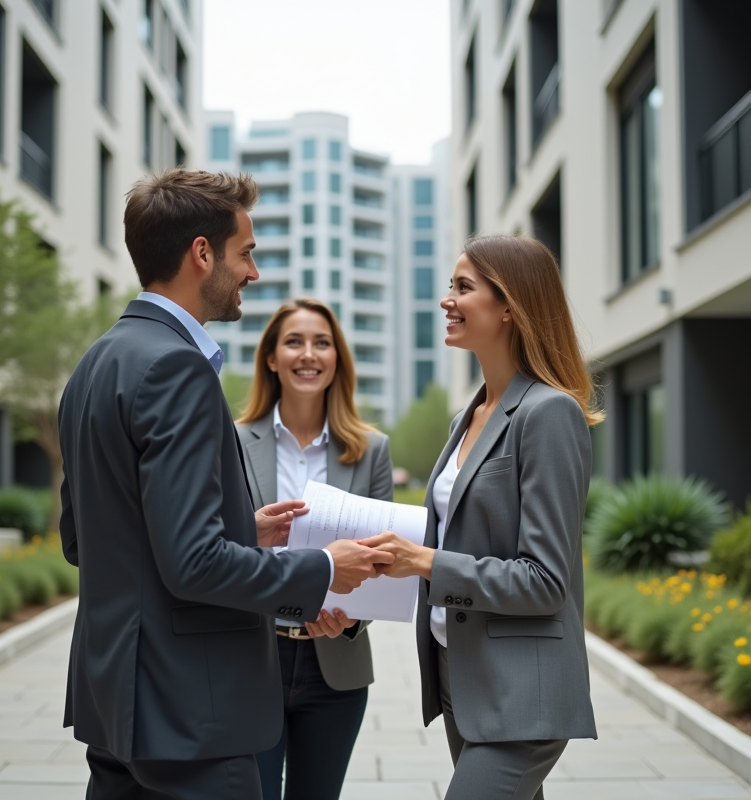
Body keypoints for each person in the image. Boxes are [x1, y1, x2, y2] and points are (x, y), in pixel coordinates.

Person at [57, 168, 392, 800]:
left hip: (117, 704)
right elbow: (193, 565)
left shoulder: (95, 364)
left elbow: (86, 538)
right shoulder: (176, 369)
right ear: (202, 253)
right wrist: (323, 567)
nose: (253, 274)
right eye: (247, 254)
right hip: (191, 713)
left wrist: (244, 529)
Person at [360, 235, 602, 800]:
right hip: (460, 674)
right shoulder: (468, 418)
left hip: (520, 689)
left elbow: (545, 582)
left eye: (463, 287)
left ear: (510, 306)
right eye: (451, 284)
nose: (447, 299)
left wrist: (423, 560)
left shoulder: (548, 413)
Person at [235, 299, 394, 800]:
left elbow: (385, 559)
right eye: (294, 341)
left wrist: (352, 618)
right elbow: (219, 547)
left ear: (337, 359)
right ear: (271, 358)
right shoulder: (232, 441)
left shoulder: (372, 450)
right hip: (249, 658)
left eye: (322, 342)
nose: (309, 354)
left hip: (336, 670)